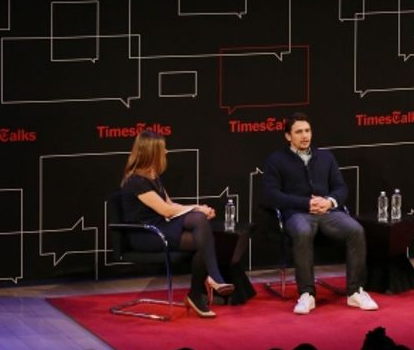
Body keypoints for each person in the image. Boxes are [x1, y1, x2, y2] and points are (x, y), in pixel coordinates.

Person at [261, 112, 378, 314]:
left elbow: (341, 188)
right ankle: (307, 294)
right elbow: (271, 195)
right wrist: (305, 203)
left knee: (356, 230)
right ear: (288, 136)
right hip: (297, 214)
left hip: (328, 212)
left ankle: (355, 292)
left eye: (307, 131)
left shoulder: (326, 156)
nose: (305, 136)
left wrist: (329, 201)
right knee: (303, 231)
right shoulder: (276, 160)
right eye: (299, 132)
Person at [120, 129, 234, 318]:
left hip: (161, 227)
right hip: (145, 234)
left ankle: (196, 294)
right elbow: (165, 211)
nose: (166, 152)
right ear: (152, 153)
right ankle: (212, 278)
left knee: (202, 237)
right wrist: (197, 210)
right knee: (199, 223)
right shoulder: (135, 181)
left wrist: (198, 208)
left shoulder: (153, 176)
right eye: (163, 149)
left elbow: (170, 204)